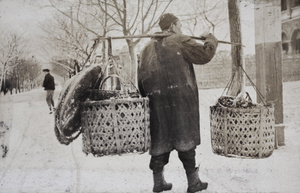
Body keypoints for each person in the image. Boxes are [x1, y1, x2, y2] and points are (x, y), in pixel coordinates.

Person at [137, 13, 218, 193]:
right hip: (181, 101)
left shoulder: (145, 49)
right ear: (173, 26)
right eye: (179, 25)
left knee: (159, 140)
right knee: (185, 139)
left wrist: (149, 99)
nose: (181, 29)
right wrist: (210, 39)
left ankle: (158, 182)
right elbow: (205, 55)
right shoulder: (180, 40)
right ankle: (193, 182)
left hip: (157, 103)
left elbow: (141, 80)